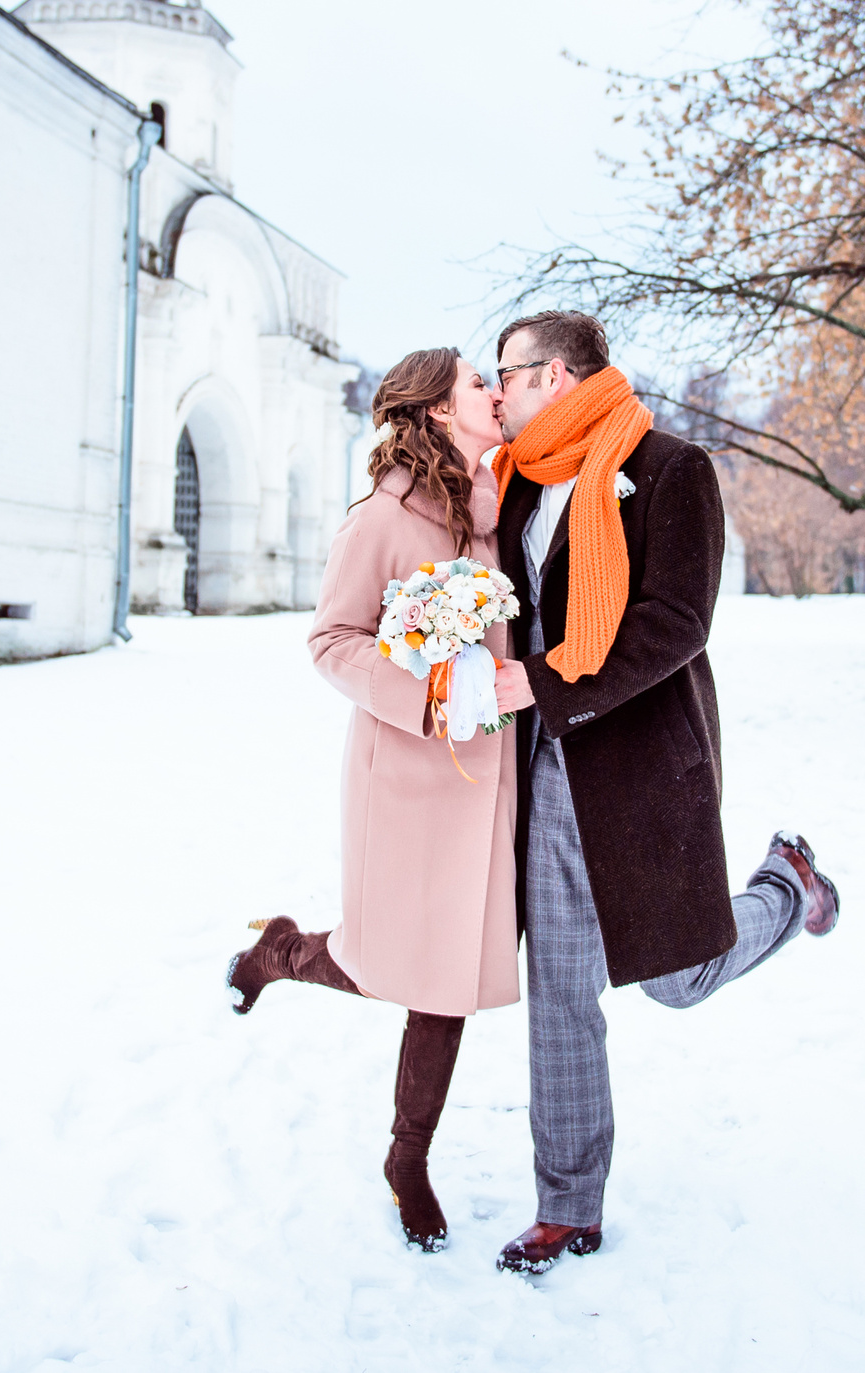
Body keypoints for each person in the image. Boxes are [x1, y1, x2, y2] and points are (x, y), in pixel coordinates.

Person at [485, 309, 842, 1276]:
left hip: (645, 768)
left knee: (679, 979)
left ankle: (787, 885)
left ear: (556, 376)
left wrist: (545, 684)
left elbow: (679, 621)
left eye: (507, 373)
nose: (498, 390)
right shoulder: (518, 480)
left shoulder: (673, 469)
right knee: (561, 990)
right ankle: (568, 1207)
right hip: (549, 767)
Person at [223, 347, 537, 1251]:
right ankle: (283, 953)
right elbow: (331, 640)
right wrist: (431, 693)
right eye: (477, 382)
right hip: (403, 779)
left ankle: (407, 1156)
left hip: (487, 779)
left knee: (446, 974)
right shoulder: (381, 516)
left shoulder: (496, 510)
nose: (494, 392)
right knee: (391, 956)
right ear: (438, 409)